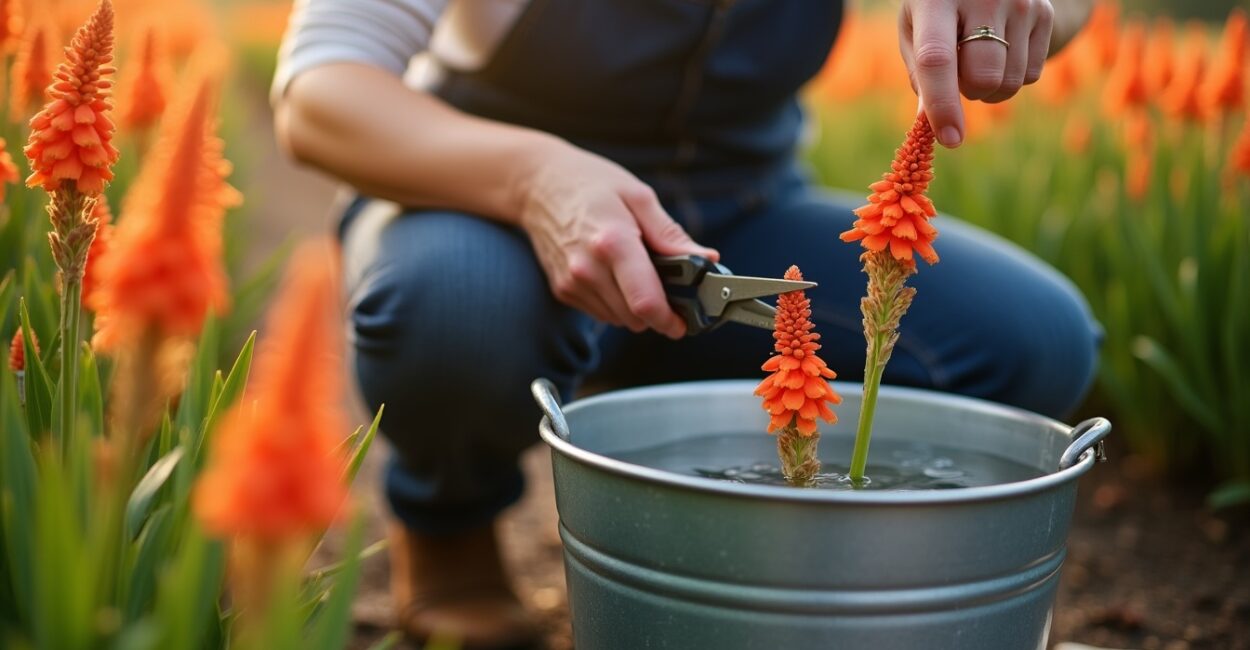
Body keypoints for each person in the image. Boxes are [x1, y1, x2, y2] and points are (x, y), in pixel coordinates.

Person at [273, 0, 1098, 647]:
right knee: (452, 310)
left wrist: (1010, 9)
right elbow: (318, 93)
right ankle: (447, 519)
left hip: (737, 211)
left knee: (1035, 343)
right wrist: (533, 180)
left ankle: (772, 525)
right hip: (488, 202)